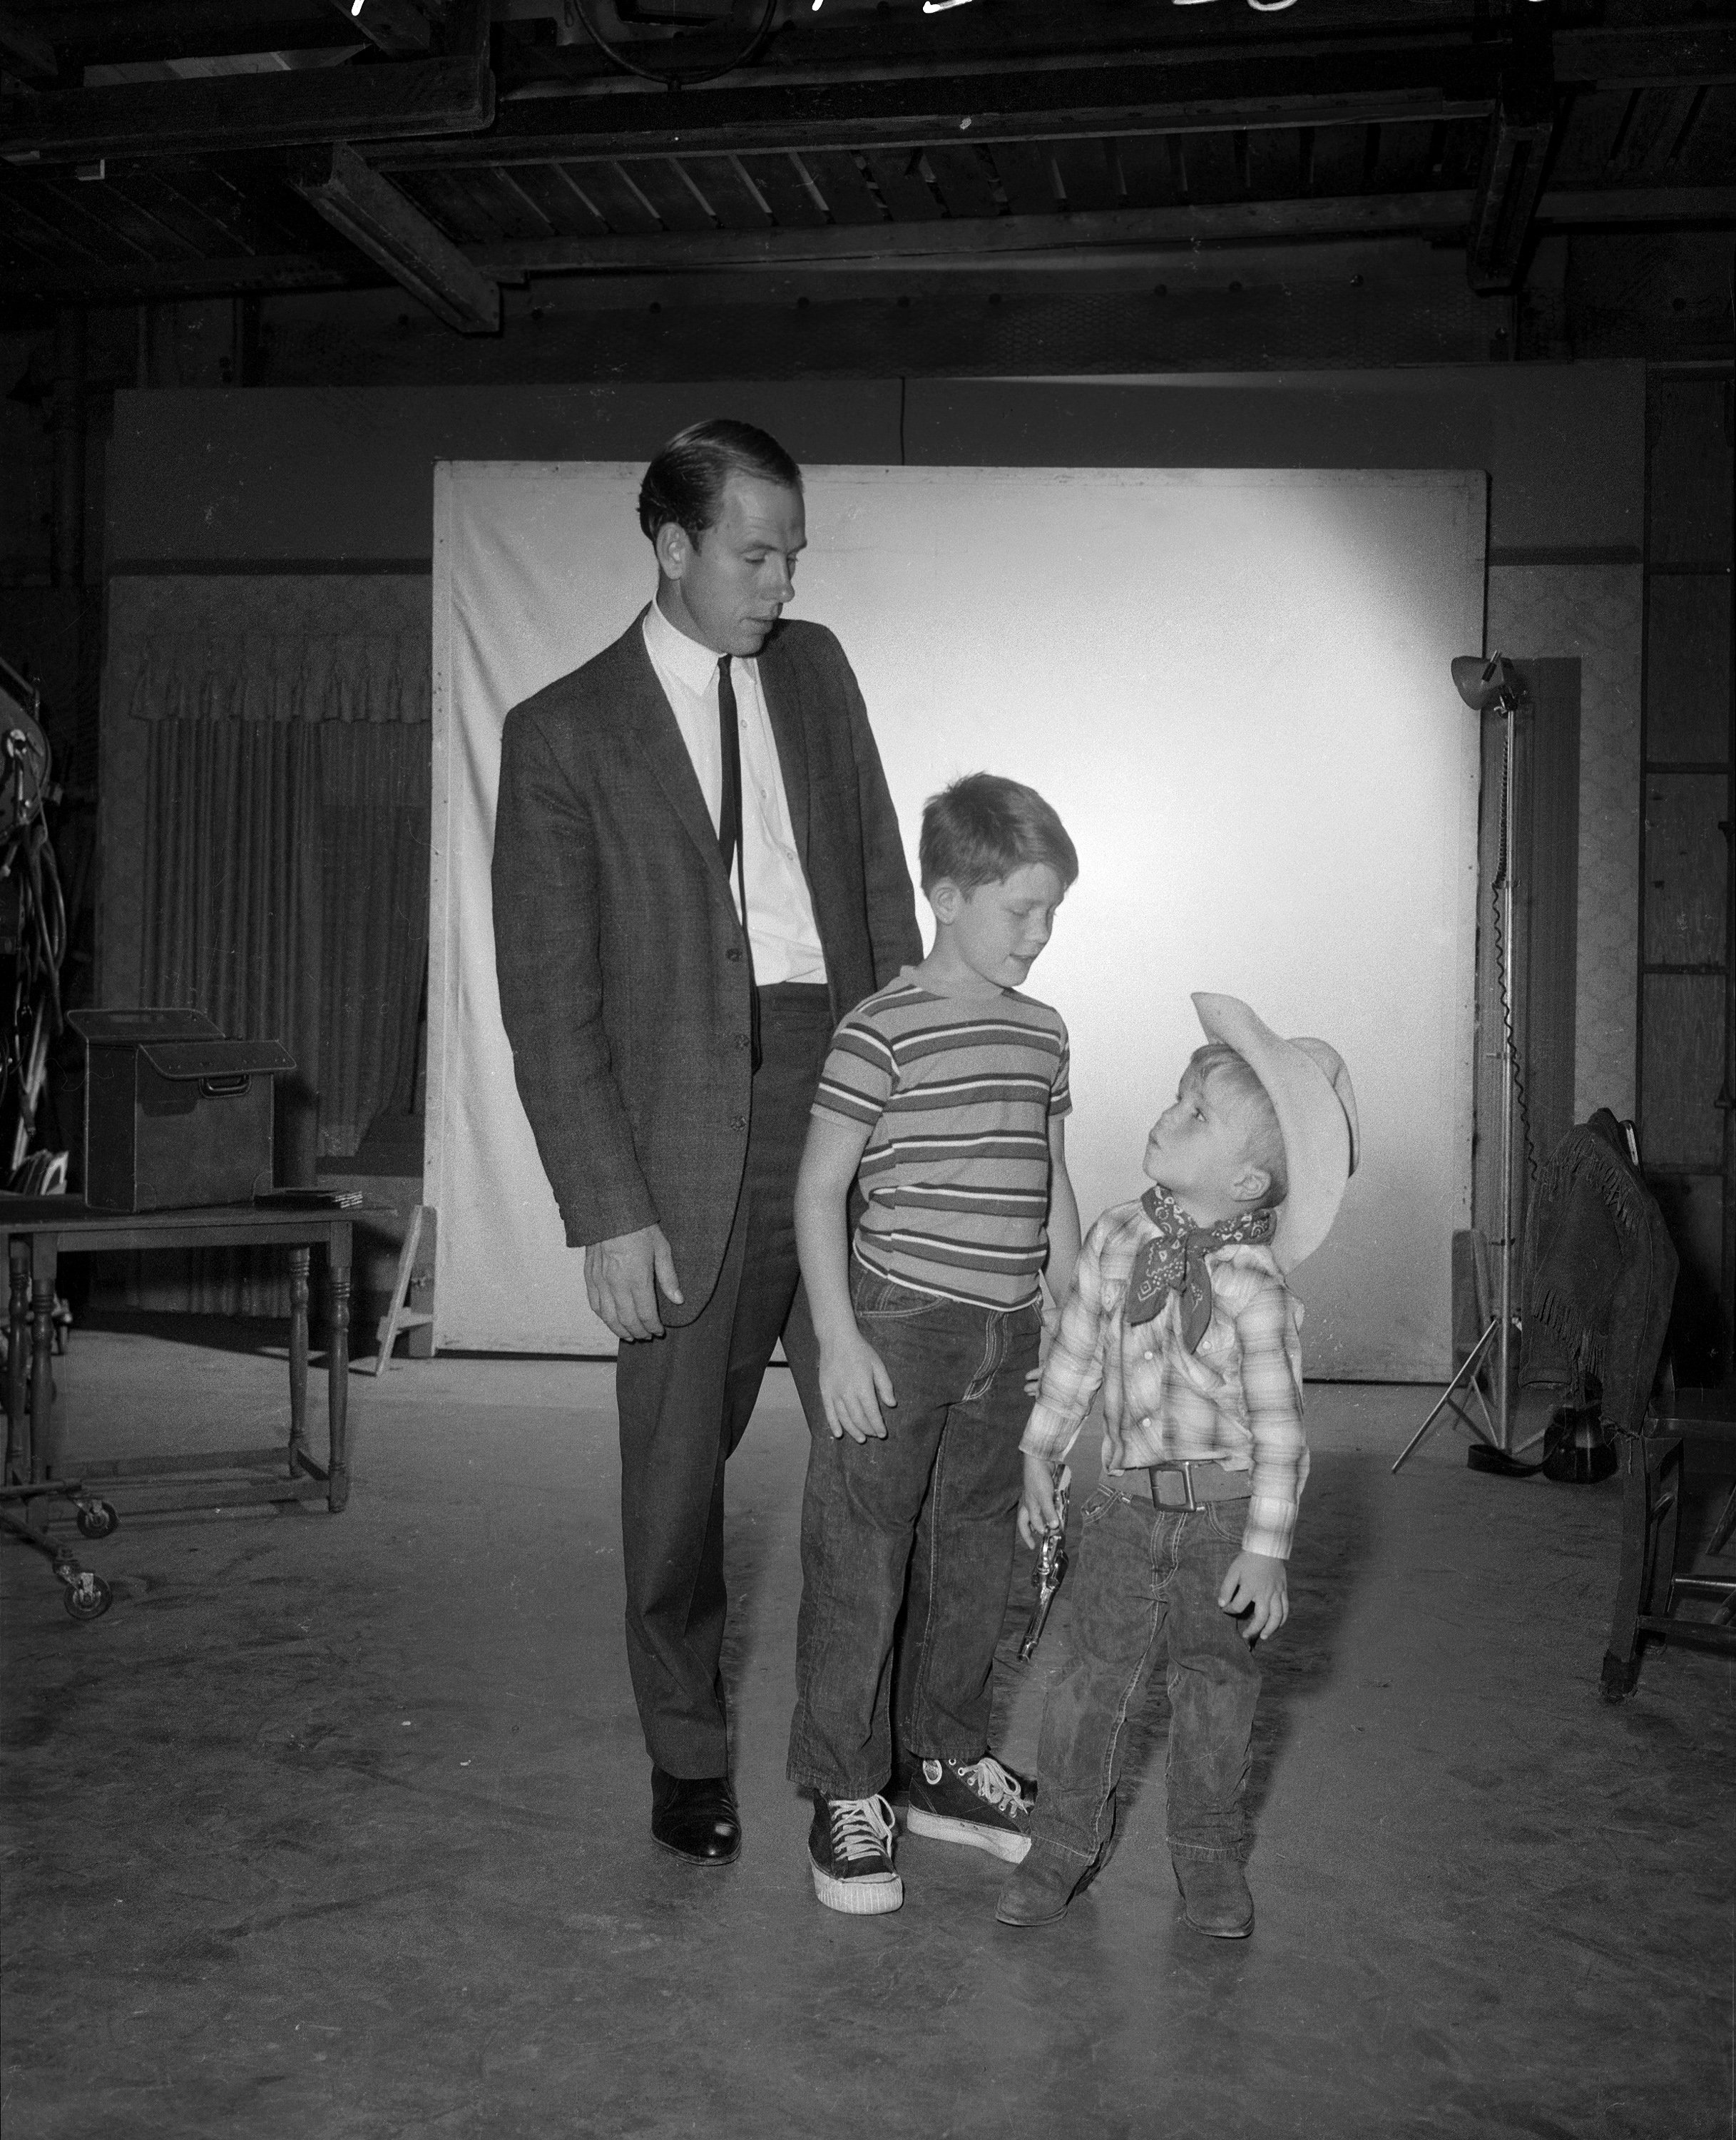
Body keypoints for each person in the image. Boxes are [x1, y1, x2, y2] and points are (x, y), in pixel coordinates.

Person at [491, 419, 921, 1867]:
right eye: (754, 552)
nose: (781, 581)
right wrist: (607, 1209)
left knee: (884, 1443)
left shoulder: (816, 672)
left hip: (842, 1086)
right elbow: (549, 1008)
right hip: (684, 1136)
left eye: (793, 551)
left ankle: (861, 1750)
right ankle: (686, 1754)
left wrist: (904, 1093)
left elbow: (875, 885)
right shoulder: (560, 734)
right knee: (677, 1476)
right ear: (670, 549)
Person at [995, 993, 1359, 1937]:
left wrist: (1268, 1550)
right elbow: (1074, 1351)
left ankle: (1207, 1858)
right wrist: (1041, 1448)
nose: (1168, 1117)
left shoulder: (1256, 1290)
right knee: (1084, 1686)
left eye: (1196, 1116)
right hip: (1120, 1511)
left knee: (1213, 1694)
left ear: (1244, 1184)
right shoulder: (1117, 1236)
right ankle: (1059, 1850)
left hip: (1220, 1527)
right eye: (1177, 1098)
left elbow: (1280, 1431)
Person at [786, 773, 1083, 1916]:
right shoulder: (879, 1030)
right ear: (946, 894)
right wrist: (837, 1340)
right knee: (861, 1557)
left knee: (974, 1557)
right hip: (899, 1325)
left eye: (1053, 911)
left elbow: (1045, 1181)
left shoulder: (1043, 1033)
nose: (1041, 935)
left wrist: (1080, 1307)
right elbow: (819, 1194)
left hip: (1006, 1335)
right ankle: (845, 1788)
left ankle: (944, 1763)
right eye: (1020, 911)